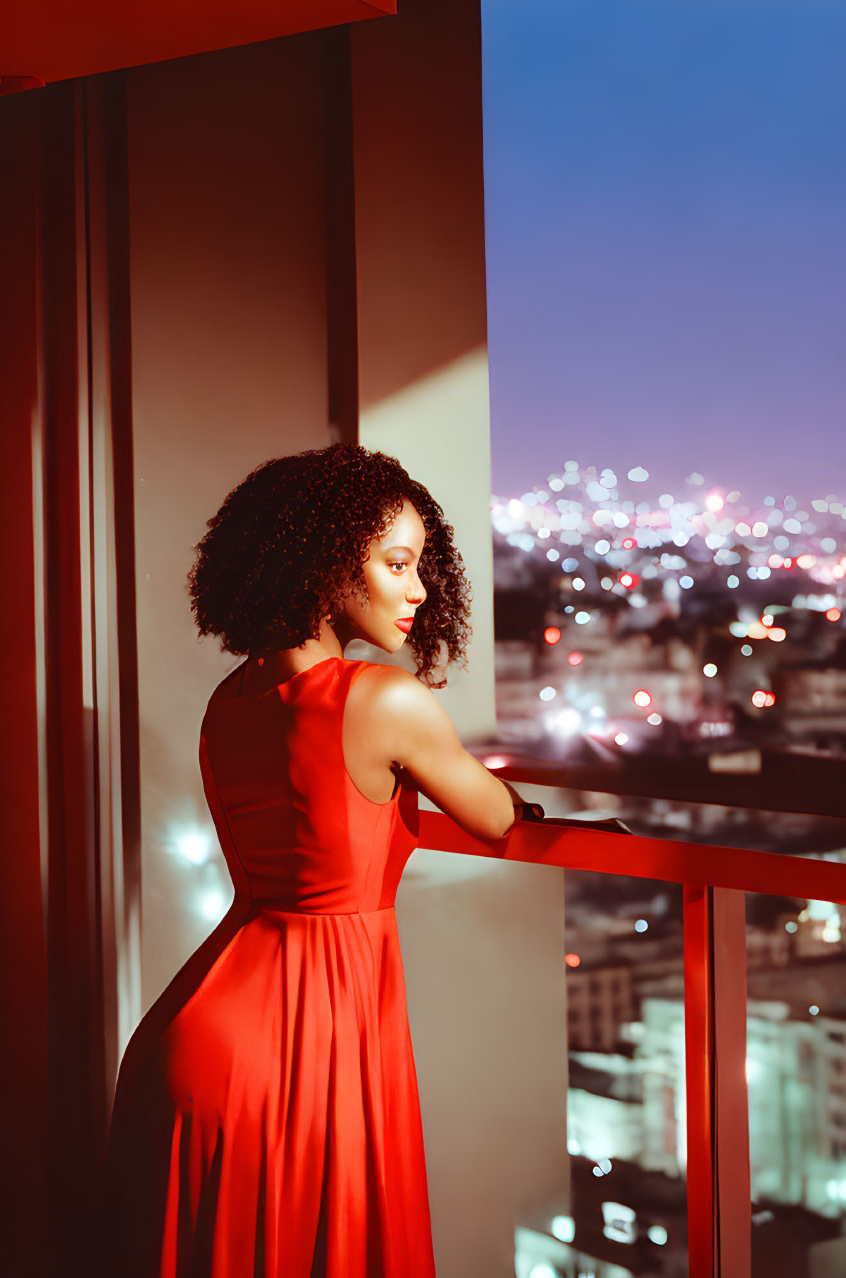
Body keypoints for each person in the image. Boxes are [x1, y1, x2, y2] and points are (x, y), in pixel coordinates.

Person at [100, 443, 531, 1276]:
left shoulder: (232, 697)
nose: (420, 590)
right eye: (397, 564)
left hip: (202, 1030)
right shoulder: (383, 700)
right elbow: (494, 817)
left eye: (422, 566)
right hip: (306, 1044)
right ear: (325, 562)